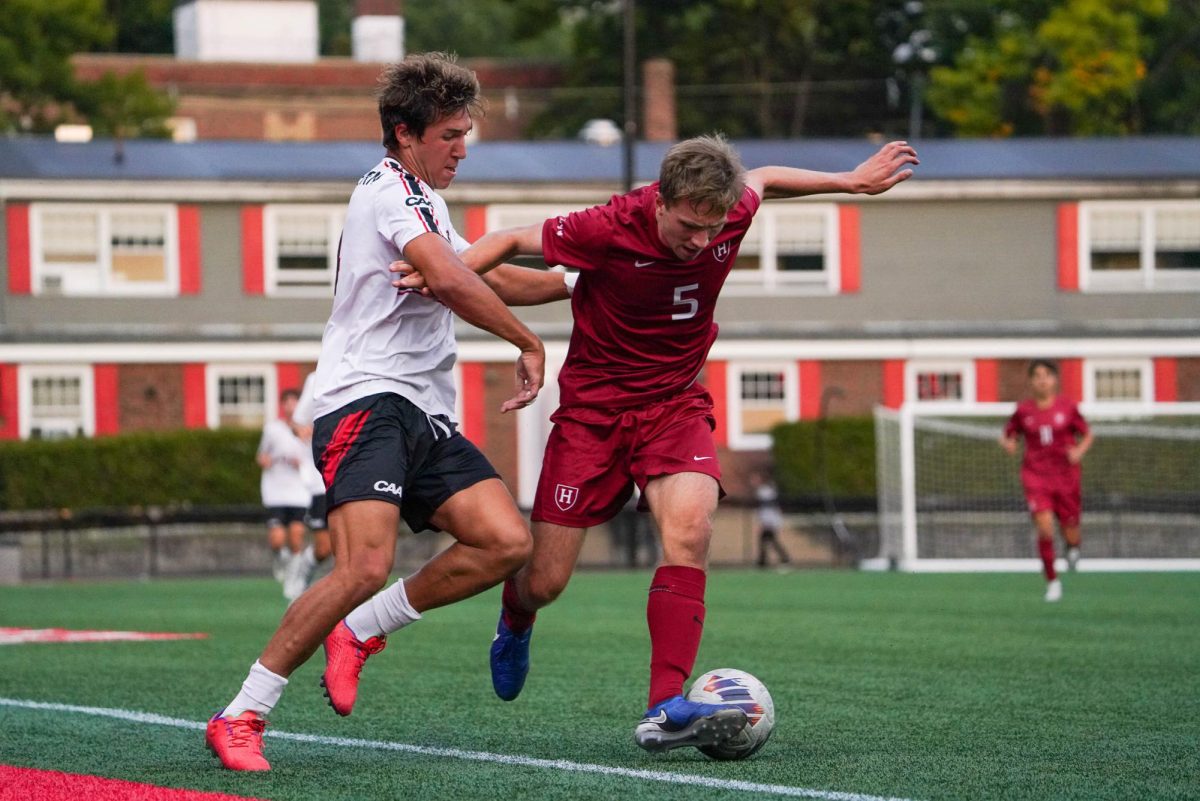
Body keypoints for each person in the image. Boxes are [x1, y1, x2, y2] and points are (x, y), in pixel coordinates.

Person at [393, 134, 918, 752]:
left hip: (674, 405)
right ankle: (516, 618)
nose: (702, 241)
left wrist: (851, 181)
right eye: (690, 227)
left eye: (713, 227)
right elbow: (509, 241)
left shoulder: (731, 210)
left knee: (691, 531)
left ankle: (666, 704)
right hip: (593, 415)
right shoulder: (607, 226)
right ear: (662, 202)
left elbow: (767, 176)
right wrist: (448, 273)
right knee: (545, 581)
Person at [205, 52, 545, 772]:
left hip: (424, 412)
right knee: (363, 563)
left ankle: (359, 630)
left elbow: (493, 272)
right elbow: (453, 279)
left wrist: (593, 282)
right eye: (449, 134)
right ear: (404, 133)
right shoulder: (387, 191)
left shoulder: (426, 202)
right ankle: (241, 713)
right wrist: (526, 341)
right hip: (367, 399)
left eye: (465, 134)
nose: (461, 147)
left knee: (506, 540)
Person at [1001, 359, 1093, 602]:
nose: (1042, 379)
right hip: (1036, 477)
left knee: (1070, 529)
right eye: (1037, 375)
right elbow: (1009, 433)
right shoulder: (1023, 411)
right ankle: (1052, 581)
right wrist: (1009, 443)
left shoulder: (1068, 407)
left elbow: (1087, 434)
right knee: (1044, 527)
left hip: (1066, 478)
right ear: (1031, 381)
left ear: (1055, 380)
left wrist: (1079, 451)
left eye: (1047, 375)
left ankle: (1073, 548)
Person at [281, 372, 334, 602]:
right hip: (321, 482)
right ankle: (303, 569)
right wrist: (301, 430)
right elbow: (297, 422)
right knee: (324, 548)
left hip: (356, 479)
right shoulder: (318, 378)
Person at [256, 388, 310, 596]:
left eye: (295, 402)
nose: (291, 406)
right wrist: (266, 461)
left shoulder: (308, 431)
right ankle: (280, 559)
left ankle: (293, 578)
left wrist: (302, 464)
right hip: (275, 490)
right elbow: (261, 456)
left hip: (299, 491)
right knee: (278, 539)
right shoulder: (273, 429)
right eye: (287, 402)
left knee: (296, 537)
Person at [750, 471, 790, 569]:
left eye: (754, 479)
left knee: (769, 540)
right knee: (767, 540)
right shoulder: (763, 491)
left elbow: (769, 509)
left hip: (770, 521)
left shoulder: (764, 492)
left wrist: (766, 523)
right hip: (769, 521)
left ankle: (783, 559)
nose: (752, 482)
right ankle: (763, 561)